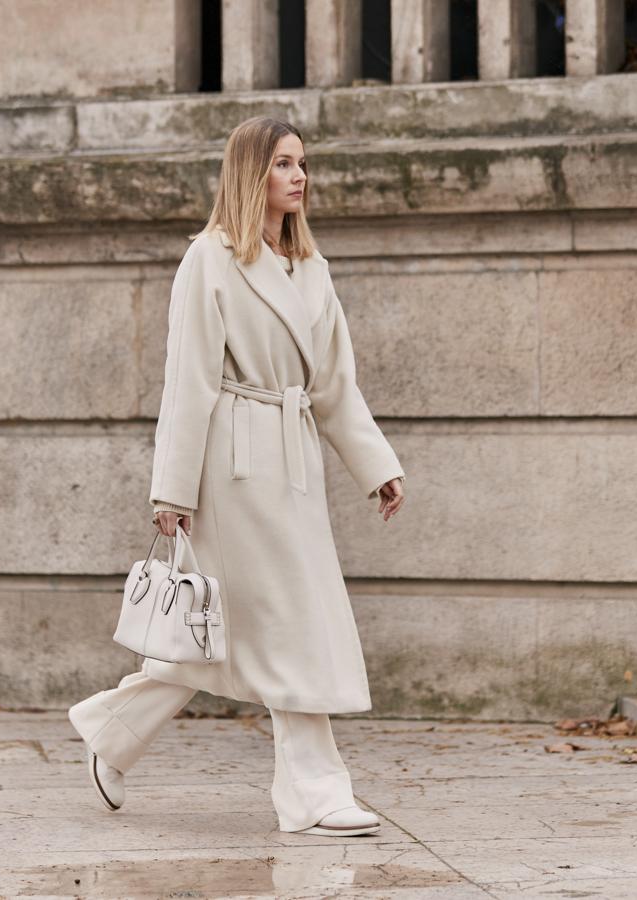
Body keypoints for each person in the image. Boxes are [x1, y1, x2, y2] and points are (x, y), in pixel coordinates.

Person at [68, 115, 406, 837]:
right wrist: (173, 490)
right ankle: (314, 789)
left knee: (239, 630)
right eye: (284, 164)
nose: (299, 177)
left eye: (304, 164)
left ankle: (112, 734)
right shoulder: (211, 259)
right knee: (290, 624)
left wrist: (376, 468)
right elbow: (188, 378)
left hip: (296, 461)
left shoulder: (313, 270)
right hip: (234, 463)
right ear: (252, 173)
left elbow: (335, 388)